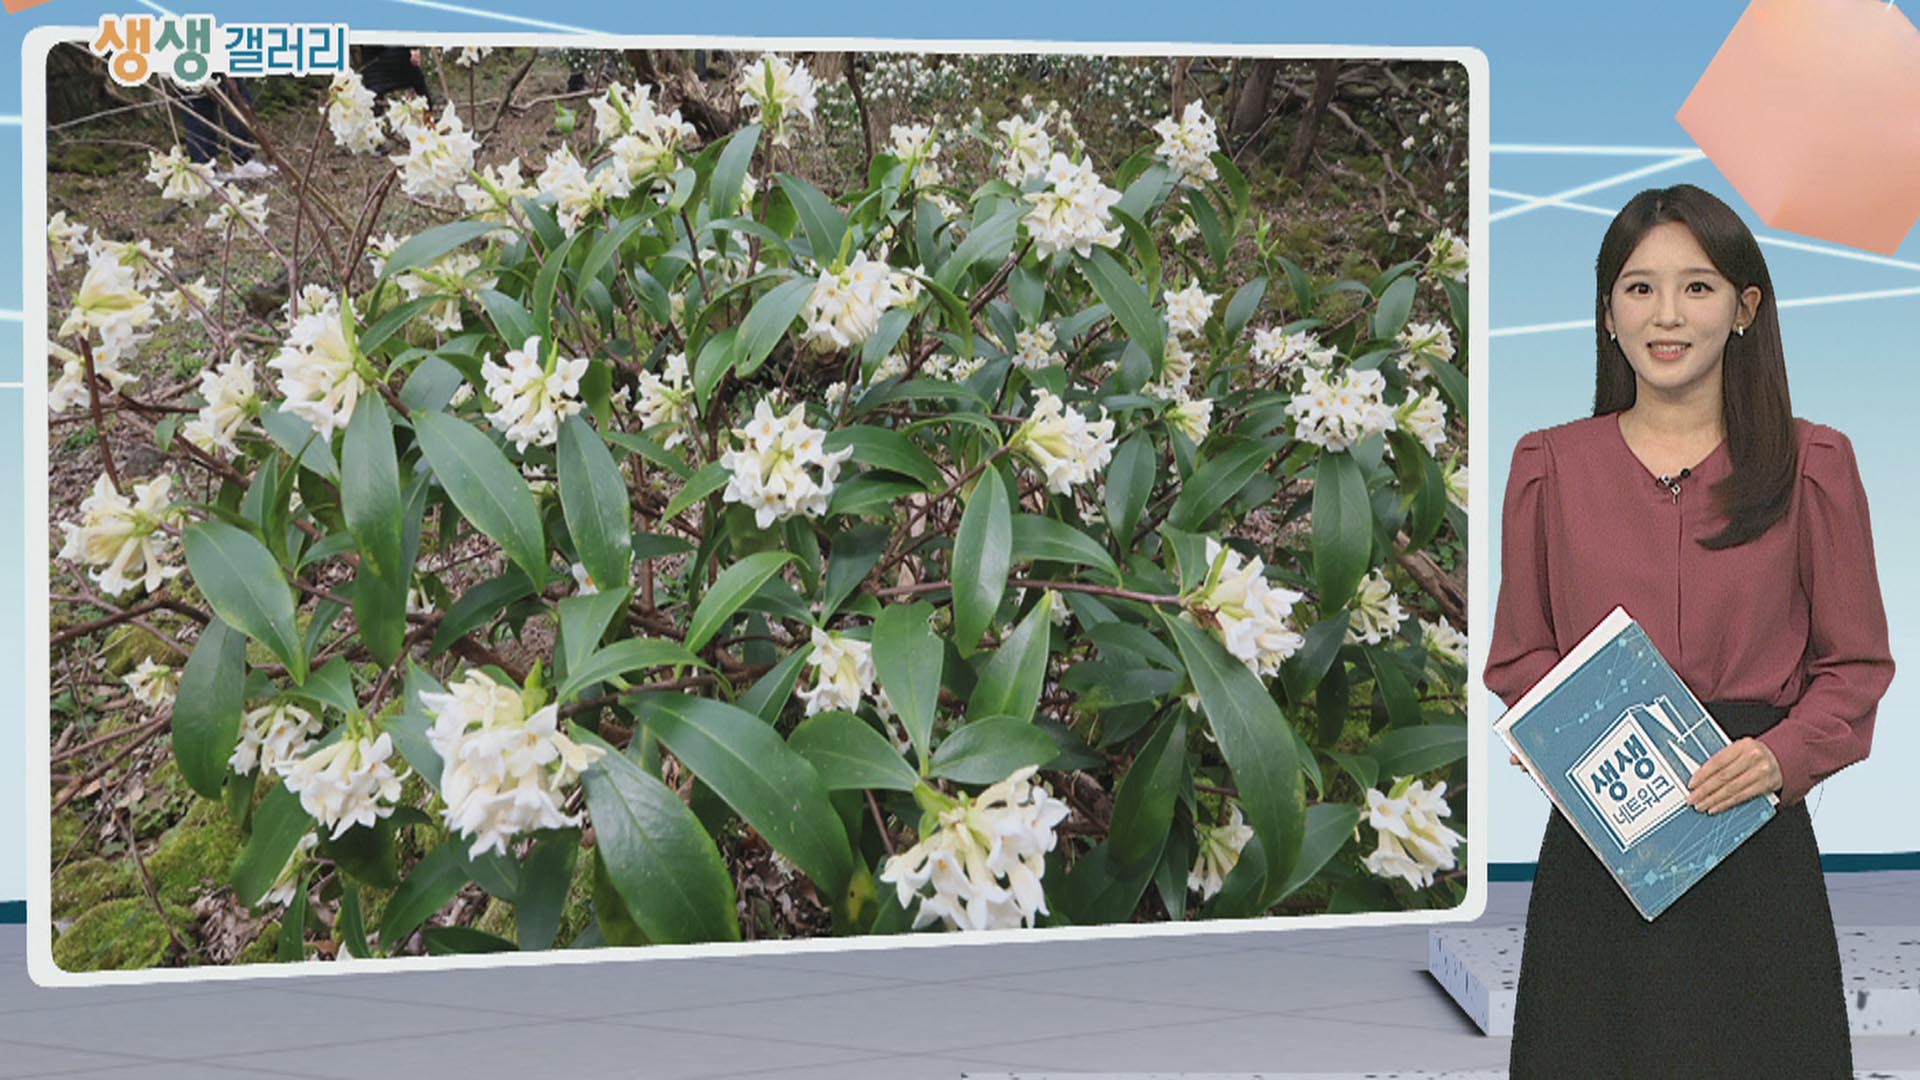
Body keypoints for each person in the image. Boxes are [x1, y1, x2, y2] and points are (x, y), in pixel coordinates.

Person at [1484, 183, 1894, 1079]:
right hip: (1605, 841)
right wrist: (1553, 727)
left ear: (1746, 309)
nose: (1666, 314)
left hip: (1755, 834)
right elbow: (1520, 652)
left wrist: (1784, 757)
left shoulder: (1814, 464)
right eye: (1639, 288)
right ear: (1607, 311)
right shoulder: (1548, 466)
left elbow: (1855, 663)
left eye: (1698, 287)